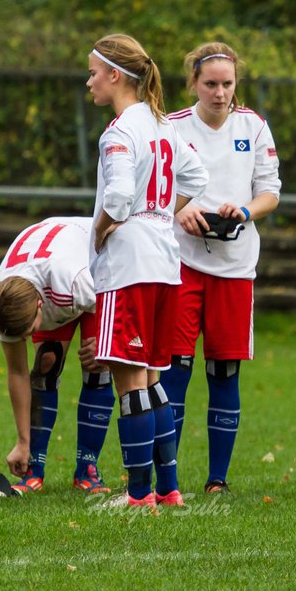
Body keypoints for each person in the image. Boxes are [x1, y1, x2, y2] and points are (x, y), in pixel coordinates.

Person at [86, 33, 207, 509]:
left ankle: (138, 495)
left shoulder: (119, 132)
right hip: (165, 260)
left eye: (94, 72)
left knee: (129, 379)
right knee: (153, 377)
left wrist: (99, 230)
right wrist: (160, 210)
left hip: (129, 261)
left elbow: (115, 197)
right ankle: (168, 488)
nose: (90, 81)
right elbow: (196, 178)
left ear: (116, 75)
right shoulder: (162, 125)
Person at [161, 42, 281, 494]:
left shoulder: (253, 127)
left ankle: (217, 480)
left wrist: (246, 212)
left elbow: (270, 191)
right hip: (181, 263)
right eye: (210, 83)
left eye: (227, 84)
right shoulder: (170, 127)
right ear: (193, 82)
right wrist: (179, 211)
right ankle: (166, 477)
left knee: (225, 370)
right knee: (175, 367)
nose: (219, 93)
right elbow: (152, 191)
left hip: (234, 267)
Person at [0, 217, 115, 494]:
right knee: (45, 366)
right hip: (51, 268)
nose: (26, 339)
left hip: (98, 266)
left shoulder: (74, 282)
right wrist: (22, 441)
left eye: (29, 331)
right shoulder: (2, 303)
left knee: (97, 364)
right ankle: (34, 466)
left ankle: (87, 469)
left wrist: (108, 343)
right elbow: (17, 372)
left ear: (40, 306)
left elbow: (120, 298)